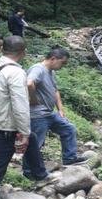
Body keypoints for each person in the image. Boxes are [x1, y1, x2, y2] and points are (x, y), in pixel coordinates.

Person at [0, 35, 48, 199]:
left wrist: (27, 134)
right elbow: (20, 105)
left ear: (2, 49)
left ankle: (40, 174)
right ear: (23, 52)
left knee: (32, 137)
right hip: (4, 125)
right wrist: (23, 132)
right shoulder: (16, 73)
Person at [22, 46, 88, 178]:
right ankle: (29, 172)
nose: (63, 66)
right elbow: (29, 83)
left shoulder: (50, 72)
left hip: (49, 113)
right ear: (53, 59)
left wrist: (60, 110)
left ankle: (69, 158)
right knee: (36, 144)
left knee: (68, 129)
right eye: (62, 63)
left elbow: (55, 91)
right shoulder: (38, 69)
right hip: (38, 115)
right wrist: (33, 99)